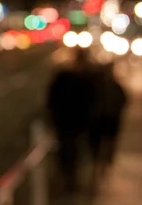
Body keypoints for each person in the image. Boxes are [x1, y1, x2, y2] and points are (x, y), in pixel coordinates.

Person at [46, 48, 93, 192]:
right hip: (69, 123)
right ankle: (68, 178)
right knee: (70, 150)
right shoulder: (78, 78)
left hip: (71, 123)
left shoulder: (77, 78)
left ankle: (68, 178)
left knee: (70, 151)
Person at [87, 62, 127, 184]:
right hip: (101, 120)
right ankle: (100, 165)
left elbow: (123, 100)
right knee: (101, 144)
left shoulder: (111, 86)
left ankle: (103, 165)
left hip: (108, 120)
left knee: (106, 144)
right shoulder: (98, 86)